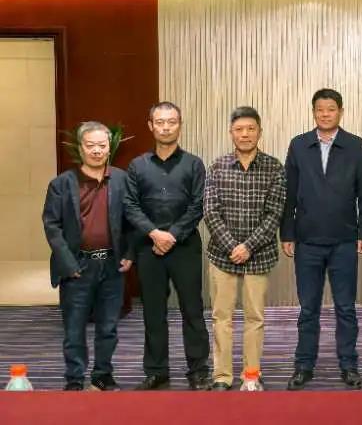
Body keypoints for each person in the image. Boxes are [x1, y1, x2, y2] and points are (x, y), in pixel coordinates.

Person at [281, 88, 362, 390]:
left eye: (331, 109)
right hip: (307, 240)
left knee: (346, 307)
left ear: (340, 112)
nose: (325, 114)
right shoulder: (299, 145)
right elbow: (289, 193)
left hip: (344, 239)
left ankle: (349, 365)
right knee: (308, 309)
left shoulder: (356, 146)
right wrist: (287, 232)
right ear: (313, 112)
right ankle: (303, 365)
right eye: (320, 109)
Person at [125, 102, 210, 390]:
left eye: (171, 122)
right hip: (148, 247)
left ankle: (198, 370)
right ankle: (156, 370)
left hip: (184, 246)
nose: (165, 127)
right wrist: (154, 234)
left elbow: (198, 205)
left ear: (179, 125)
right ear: (150, 126)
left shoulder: (194, 164)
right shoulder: (137, 165)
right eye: (159, 122)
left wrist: (171, 235)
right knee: (153, 312)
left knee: (192, 310)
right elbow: (130, 205)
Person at [42, 121, 133, 391]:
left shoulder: (122, 179)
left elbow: (133, 220)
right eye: (90, 145)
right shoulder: (61, 184)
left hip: (112, 265)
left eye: (101, 145)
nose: (96, 150)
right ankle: (74, 377)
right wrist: (68, 264)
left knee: (108, 326)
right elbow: (52, 226)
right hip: (77, 265)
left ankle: (102, 374)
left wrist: (129, 254)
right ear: (80, 148)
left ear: (109, 148)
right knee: (74, 328)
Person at [204, 106, 287, 391]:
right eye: (239, 129)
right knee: (221, 317)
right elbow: (210, 212)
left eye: (251, 129)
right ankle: (222, 376)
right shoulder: (217, 167)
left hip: (259, 255)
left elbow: (274, 214)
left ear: (259, 132)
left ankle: (251, 375)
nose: (245, 134)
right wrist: (232, 246)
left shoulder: (274, 167)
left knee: (255, 318)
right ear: (231, 133)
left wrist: (248, 246)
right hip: (222, 255)